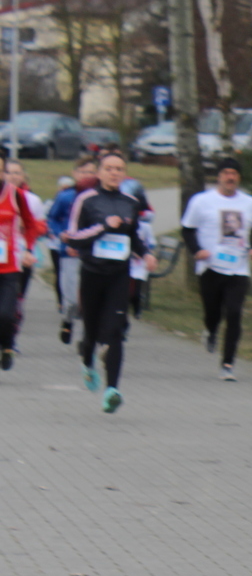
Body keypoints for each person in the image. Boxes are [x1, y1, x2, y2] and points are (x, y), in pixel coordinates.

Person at [62, 151, 156, 413]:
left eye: (119, 169)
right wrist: (104, 226)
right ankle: (87, 362)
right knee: (91, 332)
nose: (114, 173)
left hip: (119, 275)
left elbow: (134, 237)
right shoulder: (86, 200)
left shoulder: (131, 202)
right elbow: (72, 237)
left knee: (115, 332)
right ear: (99, 172)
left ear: (124, 174)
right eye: (109, 168)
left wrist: (146, 254)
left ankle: (112, 390)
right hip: (92, 273)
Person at [179, 157, 252, 379]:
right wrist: (197, 250)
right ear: (218, 176)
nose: (230, 177)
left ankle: (228, 364)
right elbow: (187, 229)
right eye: (226, 173)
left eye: (234, 174)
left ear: (239, 178)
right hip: (210, 266)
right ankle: (211, 330)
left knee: (234, 312)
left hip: (238, 267)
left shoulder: (250, 203)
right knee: (212, 312)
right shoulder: (202, 201)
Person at [0, 166, 48, 372]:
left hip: (10, 266)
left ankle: (7, 345)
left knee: (6, 314)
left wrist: (28, 249)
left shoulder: (15, 195)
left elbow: (31, 225)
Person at [44, 157, 97, 343]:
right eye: (83, 172)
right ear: (75, 174)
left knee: (90, 299)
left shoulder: (100, 198)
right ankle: (68, 320)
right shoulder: (66, 196)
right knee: (73, 298)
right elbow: (52, 218)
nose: (87, 176)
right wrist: (61, 235)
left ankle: (87, 337)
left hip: (93, 255)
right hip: (69, 253)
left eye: (91, 172)